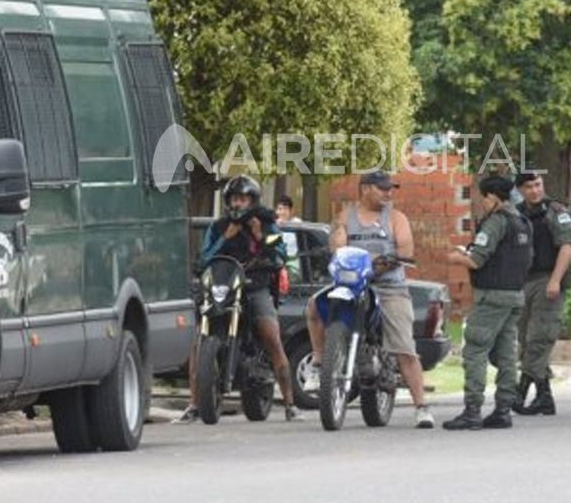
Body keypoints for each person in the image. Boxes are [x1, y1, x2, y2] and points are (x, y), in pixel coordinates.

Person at [303, 171, 435, 429]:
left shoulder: (396, 218)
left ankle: (421, 407)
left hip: (388, 287)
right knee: (313, 306)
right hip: (352, 283)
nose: (388, 193)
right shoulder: (345, 216)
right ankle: (318, 363)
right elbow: (337, 246)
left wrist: (389, 261)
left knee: (404, 346)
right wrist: (336, 245)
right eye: (382, 188)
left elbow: (406, 248)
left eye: (390, 189)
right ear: (365, 189)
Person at [173, 176, 302, 423]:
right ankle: (194, 404)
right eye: (234, 199)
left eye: (242, 199)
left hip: (255, 286)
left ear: (252, 201)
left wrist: (259, 234)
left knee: (271, 335)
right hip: (222, 286)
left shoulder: (268, 225)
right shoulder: (218, 227)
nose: (238, 204)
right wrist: (226, 237)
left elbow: (280, 255)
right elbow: (204, 258)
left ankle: (290, 403)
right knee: (199, 340)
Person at [442, 174, 533, 430]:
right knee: (506, 354)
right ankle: (503, 410)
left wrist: (455, 257)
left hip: (492, 296)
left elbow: (476, 260)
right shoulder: (522, 221)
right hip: (515, 295)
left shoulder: (496, 222)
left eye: (483, 197)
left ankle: (472, 410)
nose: (482, 202)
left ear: (492, 197)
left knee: (475, 350)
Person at [512, 171, 571, 416]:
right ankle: (544, 396)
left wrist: (555, 280)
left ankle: (520, 392)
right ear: (520, 190)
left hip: (548, 278)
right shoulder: (516, 213)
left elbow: (567, 246)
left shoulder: (556, 211)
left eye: (538, 185)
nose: (535, 190)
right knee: (526, 339)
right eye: (529, 186)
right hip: (524, 281)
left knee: (540, 337)